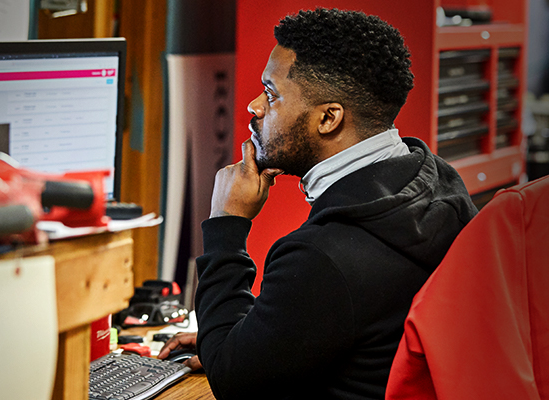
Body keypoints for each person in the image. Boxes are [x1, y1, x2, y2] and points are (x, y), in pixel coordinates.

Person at [159, 7, 478, 399]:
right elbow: (338, 320)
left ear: (328, 118)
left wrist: (226, 223)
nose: (254, 107)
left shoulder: (323, 254)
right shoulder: (436, 178)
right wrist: (247, 339)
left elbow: (234, 381)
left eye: (271, 95)